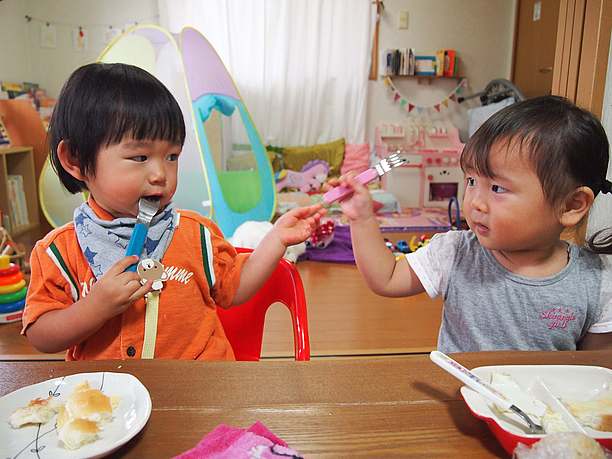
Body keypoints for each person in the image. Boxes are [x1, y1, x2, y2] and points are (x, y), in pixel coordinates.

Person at [23, 63, 325, 360]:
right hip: (109, 399)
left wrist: (275, 238)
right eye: (140, 156)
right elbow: (41, 335)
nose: (160, 174)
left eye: (171, 156)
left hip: (201, 390)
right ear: (75, 160)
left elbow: (237, 288)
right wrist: (94, 307)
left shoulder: (196, 234)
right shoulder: (57, 253)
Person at [331, 96, 612, 353]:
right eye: (471, 181)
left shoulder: (596, 284)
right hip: (459, 401)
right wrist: (362, 218)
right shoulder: (456, 252)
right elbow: (387, 277)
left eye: (498, 188)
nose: (475, 202)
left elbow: (592, 373)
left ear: (571, 205)